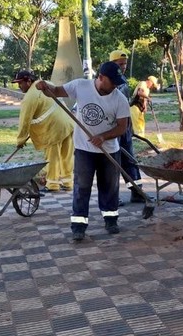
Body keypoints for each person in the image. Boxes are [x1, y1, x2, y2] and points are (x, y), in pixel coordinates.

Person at [36, 61, 130, 241]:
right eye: (113, 81)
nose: (116, 86)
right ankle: (78, 225)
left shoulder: (120, 99)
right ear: (101, 78)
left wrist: (103, 137)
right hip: (84, 149)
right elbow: (55, 91)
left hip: (109, 150)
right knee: (82, 187)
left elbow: (121, 128)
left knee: (110, 187)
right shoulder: (80, 86)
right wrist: (44, 87)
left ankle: (111, 220)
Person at [13, 70, 74, 193]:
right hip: (68, 124)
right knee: (66, 156)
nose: (19, 86)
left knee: (53, 157)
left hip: (53, 129)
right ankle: (68, 182)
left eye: (20, 83)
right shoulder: (46, 83)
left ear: (29, 81)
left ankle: (52, 184)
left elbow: (24, 121)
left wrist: (20, 140)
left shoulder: (30, 97)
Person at [109, 50, 146, 204]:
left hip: (125, 126)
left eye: (124, 64)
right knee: (113, 162)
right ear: (112, 64)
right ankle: (111, 197)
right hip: (113, 126)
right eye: (120, 64)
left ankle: (137, 191)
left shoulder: (123, 80)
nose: (123, 67)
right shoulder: (109, 81)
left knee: (129, 159)